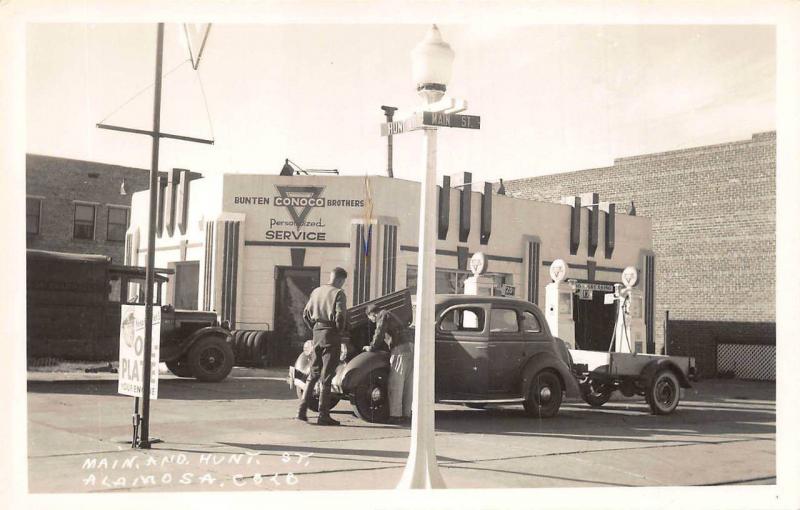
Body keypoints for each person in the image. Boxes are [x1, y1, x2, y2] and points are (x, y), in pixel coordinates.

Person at [297, 267, 348, 426]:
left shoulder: (316, 291)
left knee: (313, 373)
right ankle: (323, 415)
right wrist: (339, 331)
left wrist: (315, 328)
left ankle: (302, 410)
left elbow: (305, 314)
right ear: (340, 280)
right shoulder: (338, 293)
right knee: (327, 376)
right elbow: (340, 315)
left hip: (316, 333)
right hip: (331, 334)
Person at [364, 303, 413, 425]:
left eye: (370, 319)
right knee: (407, 384)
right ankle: (406, 414)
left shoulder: (382, 315)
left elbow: (379, 332)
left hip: (399, 349)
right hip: (410, 347)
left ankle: (396, 416)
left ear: (372, 314)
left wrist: (371, 347)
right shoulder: (390, 313)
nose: (371, 321)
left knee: (395, 383)